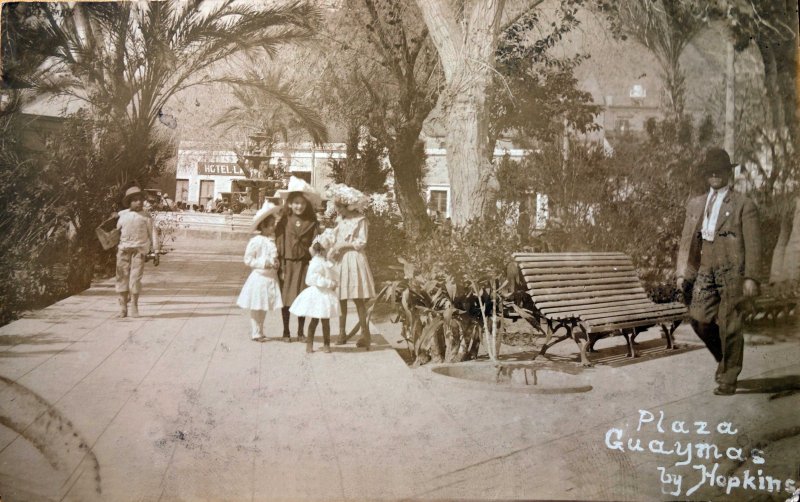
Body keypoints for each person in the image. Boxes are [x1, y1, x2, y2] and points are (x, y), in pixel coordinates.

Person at [676, 147, 761, 396]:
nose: (715, 176)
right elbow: (685, 241)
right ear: (706, 175)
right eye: (710, 172)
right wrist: (682, 272)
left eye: (719, 171)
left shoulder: (744, 205)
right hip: (705, 270)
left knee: (730, 325)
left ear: (728, 173)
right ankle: (725, 360)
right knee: (699, 319)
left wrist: (751, 277)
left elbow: (754, 245)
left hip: (732, 272)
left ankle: (728, 378)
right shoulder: (695, 204)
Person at [326, 183, 376, 350]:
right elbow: (335, 237)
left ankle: (364, 333)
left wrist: (343, 246)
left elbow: (361, 242)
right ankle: (341, 331)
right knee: (341, 297)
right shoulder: (341, 220)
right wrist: (331, 245)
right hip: (341, 260)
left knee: (357, 297)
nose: (338, 211)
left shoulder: (360, 220)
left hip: (353, 258)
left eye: (340, 207)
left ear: (348, 205)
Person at [275, 176, 321, 342]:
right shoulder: (284, 221)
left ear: (306, 204)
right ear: (289, 203)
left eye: (302, 203)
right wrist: (279, 263)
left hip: (304, 264)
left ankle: (301, 332)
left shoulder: (312, 222)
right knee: (286, 298)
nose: (299, 206)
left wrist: (317, 252)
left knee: (303, 297)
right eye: (295, 203)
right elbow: (279, 242)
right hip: (288, 264)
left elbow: (317, 242)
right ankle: (286, 331)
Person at [237, 201, 283, 341]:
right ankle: (255, 332)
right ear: (262, 226)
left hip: (270, 278)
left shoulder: (272, 240)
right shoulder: (256, 241)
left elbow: (274, 256)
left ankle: (260, 330)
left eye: (274, 224)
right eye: (270, 225)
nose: (273, 227)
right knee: (257, 305)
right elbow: (248, 259)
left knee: (263, 305)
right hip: (259, 278)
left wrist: (276, 263)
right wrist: (264, 263)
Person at [289, 229, 340, 353]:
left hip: (325, 295)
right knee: (315, 320)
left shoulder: (325, 262)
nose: (329, 252)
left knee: (325, 321)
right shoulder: (316, 262)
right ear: (322, 250)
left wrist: (334, 280)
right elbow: (313, 278)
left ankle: (326, 344)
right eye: (327, 250)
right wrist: (330, 283)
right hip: (319, 294)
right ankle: (310, 344)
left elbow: (332, 273)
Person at [116, 186, 158, 318]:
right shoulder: (122, 216)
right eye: (135, 200)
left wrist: (156, 251)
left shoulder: (146, 217)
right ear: (129, 202)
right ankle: (123, 307)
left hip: (139, 251)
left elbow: (153, 234)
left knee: (135, 278)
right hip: (123, 250)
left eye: (140, 200)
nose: (139, 202)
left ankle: (134, 305)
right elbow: (114, 233)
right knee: (121, 277)